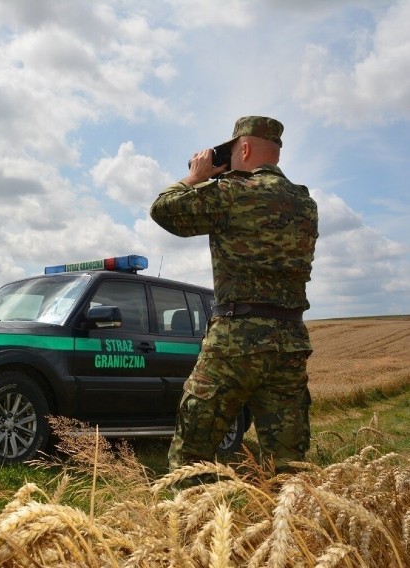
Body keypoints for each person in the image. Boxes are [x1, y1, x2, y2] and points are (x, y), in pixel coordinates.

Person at [150, 116, 318, 475]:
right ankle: (295, 528)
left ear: (243, 147)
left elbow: (164, 210)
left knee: (191, 456)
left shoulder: (232, 193)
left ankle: (184, 524)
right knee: (289, 464)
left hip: (235, 339)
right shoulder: (305, 204)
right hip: (288, 342)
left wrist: (196, 176)